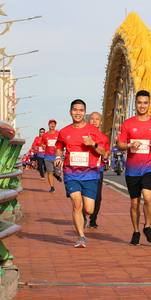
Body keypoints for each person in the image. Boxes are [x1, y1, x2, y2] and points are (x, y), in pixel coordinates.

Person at [54, 100, 108, 248]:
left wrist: (94, 144)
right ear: (70, 112)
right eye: (75, 110)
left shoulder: (94, 131)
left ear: (85, 113)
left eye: (81, 110)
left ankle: (83, 216)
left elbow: (103, 152)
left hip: (90, 174)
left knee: (89, 209)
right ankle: (81, 236)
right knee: (76, 203)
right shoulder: (64, 132)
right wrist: (58, 158)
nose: (78, 113)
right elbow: (59, 147)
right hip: (71, 173)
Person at [116, 90, 151, 246]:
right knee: (134, 203)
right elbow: (120, 145)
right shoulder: (128, 124)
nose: (142, 105)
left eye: (145, 102)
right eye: (139, 102)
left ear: (149, 104)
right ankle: (136, 232)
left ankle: (147, 226)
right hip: (132, 169)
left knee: (148, 197)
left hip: (150, 167)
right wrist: (130, 144)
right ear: (135, 104)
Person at [84, 111, 109, 229]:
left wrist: (106, 155)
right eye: (92, 119)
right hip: (83, 169)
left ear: (101, 122)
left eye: (97, 119)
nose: (94, 121)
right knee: (84, 194)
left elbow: (107, 151)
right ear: (89, 121)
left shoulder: (103, 138)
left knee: (97, 196)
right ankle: (83, 213)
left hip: (98, 169)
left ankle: (93, 219)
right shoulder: (83, 135)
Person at [42, 120, 63, 193]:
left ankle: (56, 175)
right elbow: (42, 144)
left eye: (54, 124)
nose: (52, 125)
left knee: (58, 173)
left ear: (55, 125)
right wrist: (43, 146)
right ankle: (52, 187)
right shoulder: (45, 135)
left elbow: (62, 143)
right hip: (47, 157)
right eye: (51, 124)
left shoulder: (58, 134)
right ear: (48, 125)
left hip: (56, 157)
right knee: (49, 172)